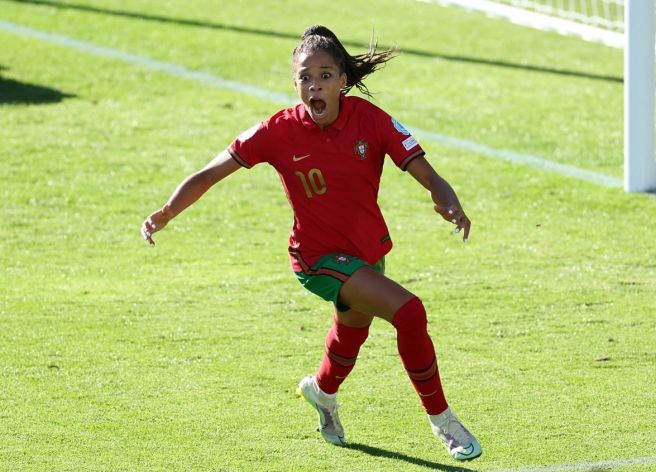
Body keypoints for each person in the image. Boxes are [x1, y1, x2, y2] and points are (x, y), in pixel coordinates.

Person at [141, 25, 481, 461]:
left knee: (351, 334)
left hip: (364, 252)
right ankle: (444, 422)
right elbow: (210, 173)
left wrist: (448, 202)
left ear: (342, 80)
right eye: (305, 77)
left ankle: (321, 392)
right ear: (294, 82)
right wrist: (166, 212)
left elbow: (428, 175)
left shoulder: (372, 121)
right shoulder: (278, 131)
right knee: (409, 312)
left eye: (324, 75)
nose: (314, 85)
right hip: (317, 260)